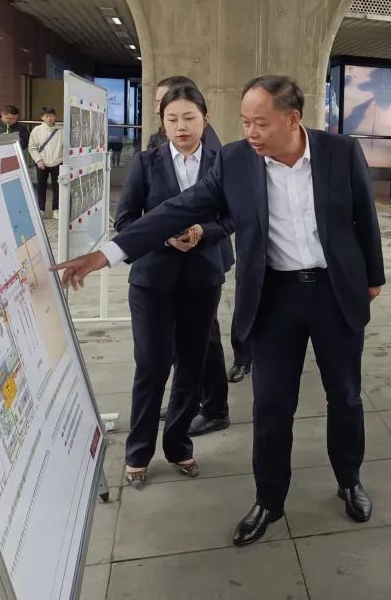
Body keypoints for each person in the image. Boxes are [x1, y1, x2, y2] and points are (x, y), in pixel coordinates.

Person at [52, 75, 384, 546]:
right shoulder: (234, 160)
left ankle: (349, 480)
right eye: (245, 122)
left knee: (345, 397)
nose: (250, 132)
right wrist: (106, 254)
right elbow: (176, 209)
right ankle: (269, 499)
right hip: (273, 297)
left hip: (334, 293)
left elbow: (363, 217)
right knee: (272, 406)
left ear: (293, 119)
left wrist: (373, 276)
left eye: (260, 123)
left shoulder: (340, 152)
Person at [114, 85, 234, 489]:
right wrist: (163, 235)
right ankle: (138, 452)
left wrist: (203, 232)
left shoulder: (221, 163)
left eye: (189, 118)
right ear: (162, 123)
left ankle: (179, 445)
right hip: (152, 281)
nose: (181, 126)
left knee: (191, 366)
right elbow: (125, 221)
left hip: (202, 279)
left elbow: (232, 218)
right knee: (151, 365)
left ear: (205, 119)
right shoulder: (146, 162)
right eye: (172, 119)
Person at [147, 74, 250, 384]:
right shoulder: (156, 142)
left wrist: (200, 231)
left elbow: (224, 208)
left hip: (205, 250)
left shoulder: (212, 149)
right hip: (171, 254)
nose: (160, 109)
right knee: (191, 332)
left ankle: (213, 397)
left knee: (204, 332)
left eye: (165, 101)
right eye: (159, 105)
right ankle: (199, 397)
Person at [27, 107, 64, 218]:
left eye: (51, 116)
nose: (49, 118)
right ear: (42, 117)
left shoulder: (61, 130)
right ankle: (41, 209)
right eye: (47, 116)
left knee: (57, 187)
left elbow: (66, 146)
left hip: (58, 162)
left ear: (55, 117)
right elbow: (32, 147)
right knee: (41, 187)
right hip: (42, 163)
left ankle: (56, 209)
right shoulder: (37, 130)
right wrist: (38, 160)